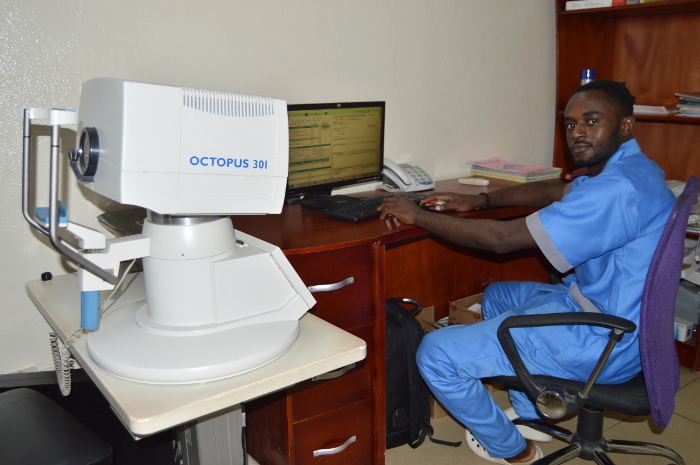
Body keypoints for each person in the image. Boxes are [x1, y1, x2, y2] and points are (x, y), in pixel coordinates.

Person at [377, 80, 675, 464]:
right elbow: (554, 192)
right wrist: (479, 200)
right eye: (570, 124)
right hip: (624, 320)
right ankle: (533, 413)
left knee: (436, 353)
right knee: (498, 296)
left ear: (625, 125)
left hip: (602, 341)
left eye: (592, 120)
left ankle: (516, 451)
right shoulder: (634, 169)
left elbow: (502, 239)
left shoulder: (615, 190)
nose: (577, 133)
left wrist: (417, 215)